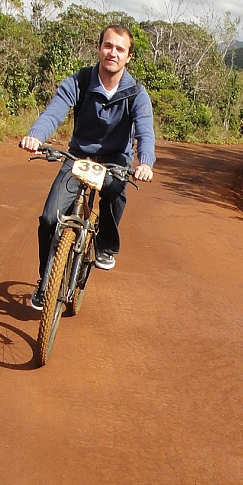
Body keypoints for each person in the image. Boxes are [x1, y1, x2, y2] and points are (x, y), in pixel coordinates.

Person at [20, 24, 155, 310]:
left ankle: (105, 243)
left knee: (116, 191)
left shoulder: (136, 94)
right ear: (99, 48)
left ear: (128, 57)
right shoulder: (80, 80)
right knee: (48, 219)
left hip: (115, 160)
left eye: (120, 49)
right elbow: (54, 111)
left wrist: (145, 162)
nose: (113, 53)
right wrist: (36, 135)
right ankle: (46, 281)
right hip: (78, 157)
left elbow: (145, 132)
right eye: (108, 46)